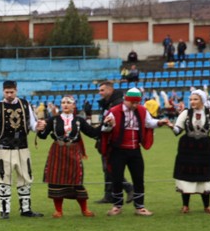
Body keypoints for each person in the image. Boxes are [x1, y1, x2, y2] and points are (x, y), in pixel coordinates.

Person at [0, 79, 46, 219]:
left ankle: (26, 209)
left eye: (11, 92)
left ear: (16, 91)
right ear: (3, 91)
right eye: (7, 92)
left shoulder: (25, 104)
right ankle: (4, 210)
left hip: (22, 147)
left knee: (25, 178)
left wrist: (38, 126)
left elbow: (32, 125)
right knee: (4, 178)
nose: (9, 95)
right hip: (4, 148)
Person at [100, 86, 161, 216]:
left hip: (135, 150)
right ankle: (117, 206)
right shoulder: (114, 111)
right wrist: (108, 124)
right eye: (132, 102)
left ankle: (140, 207)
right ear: (125, 100)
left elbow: (149, 123)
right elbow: (104, 130)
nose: (134, 105)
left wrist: (160, 123)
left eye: (137, 102)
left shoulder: (142, 110)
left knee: (138, 178)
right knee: (117, 178)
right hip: (118, 150)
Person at [37, 95, 101, 218]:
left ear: (74, 105)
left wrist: (105, 124)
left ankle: (84, 209)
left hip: (73, 152)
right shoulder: (53, 120)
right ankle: (58, 211)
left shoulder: (79, 120)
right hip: (57, 152)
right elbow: (43, 136)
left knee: (76, 180)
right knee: (56, 180)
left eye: (68, 102)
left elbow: (92, 133)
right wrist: (40, 129)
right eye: (63, 102)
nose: (65, 104)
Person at [95, 80, 133, 204]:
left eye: (102, 90)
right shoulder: (109, 103)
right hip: (106, 139)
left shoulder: (117, 104)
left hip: (113, 141)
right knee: (107, 169)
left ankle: (129, 187)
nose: (100, 93)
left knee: (110, 168)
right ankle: (109, 195)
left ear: (110, 90)